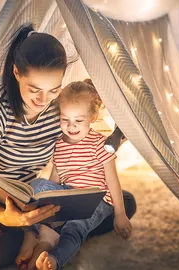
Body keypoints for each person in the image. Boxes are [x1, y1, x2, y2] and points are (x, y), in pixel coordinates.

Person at [0, 23, 137, 269]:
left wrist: (116, 133)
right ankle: (48, 234)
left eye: (54, 89)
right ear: (17, 72)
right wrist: (6, 217)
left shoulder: (57, 107)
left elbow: (91, 133)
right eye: (34, 89)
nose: (43, 99)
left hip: (31, 195)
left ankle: (46, 235)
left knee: (123, 203)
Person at [24, 79, 133, 270]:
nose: (71, 126)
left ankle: (55, 260)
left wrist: (120, 214)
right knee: (38, 186)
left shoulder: (100, 143)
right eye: (65, 119)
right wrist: (47, 200)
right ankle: (37, 243)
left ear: (92, 117)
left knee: (75, 228)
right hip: (68, 195)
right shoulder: (59, 143)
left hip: (95, 200)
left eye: (78, 120)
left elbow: (112, 180)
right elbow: (55, 178)